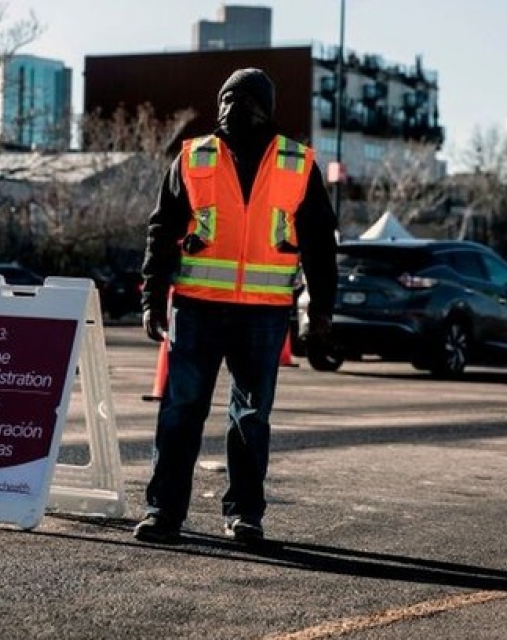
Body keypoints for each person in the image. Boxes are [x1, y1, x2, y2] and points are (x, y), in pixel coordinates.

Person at [134, 68, 338, 544]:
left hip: (263, 314)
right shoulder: (193, 157)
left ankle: (245, 514)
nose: (232, 107)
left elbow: (319, 244)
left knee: (251, 418)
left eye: (244, 99)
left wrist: (321, 310)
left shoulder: (297, 163)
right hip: (196, 307)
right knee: (181, 412)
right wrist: (152, 297)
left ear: (266, 107)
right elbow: (162, 231)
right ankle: (164, 511)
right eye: (225, 98)